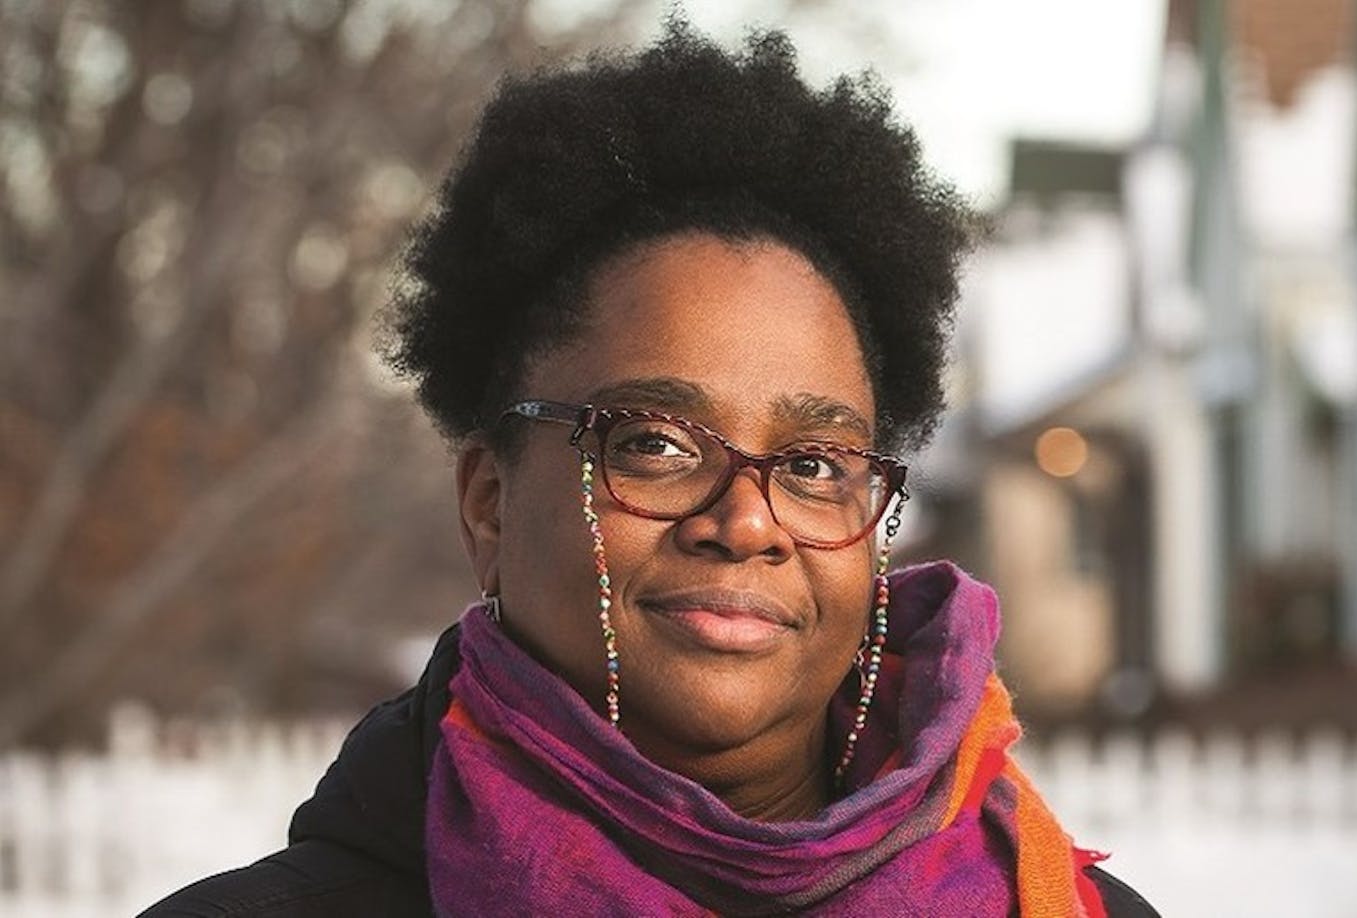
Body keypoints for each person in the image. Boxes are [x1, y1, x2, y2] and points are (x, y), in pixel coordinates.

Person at [143, 21, 1158, 918]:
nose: (749, 522)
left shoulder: (1061, 907)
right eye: (656, 444)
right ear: (488, 505)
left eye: (813, 464)